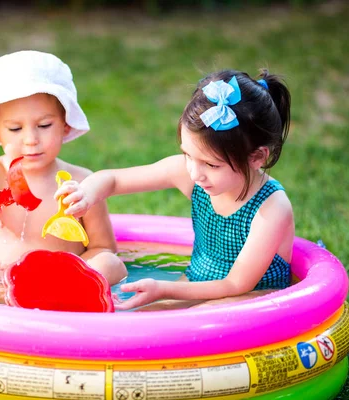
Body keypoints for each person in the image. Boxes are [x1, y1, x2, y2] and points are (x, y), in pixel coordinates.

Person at [56, 69, 294, 310]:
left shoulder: (272, 207)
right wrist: (86, 193)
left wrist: (162, 289)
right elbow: (114, 180)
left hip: (253, 296)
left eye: (211, 164)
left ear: (257, 157)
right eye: (188, 155)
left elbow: (235, 283)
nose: (195, 172)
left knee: (201, 318)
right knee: (137, 320)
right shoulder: (192, 174)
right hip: (196, 284)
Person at [0, 51, 127, 290]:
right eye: (15, 128)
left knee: (110, 264)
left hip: (65, 283)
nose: (31, 139)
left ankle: (64, 294)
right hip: (4, 284)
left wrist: (73, 275)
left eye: (44, 125)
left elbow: (104, 247)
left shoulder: (82, 183)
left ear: (65, 123)